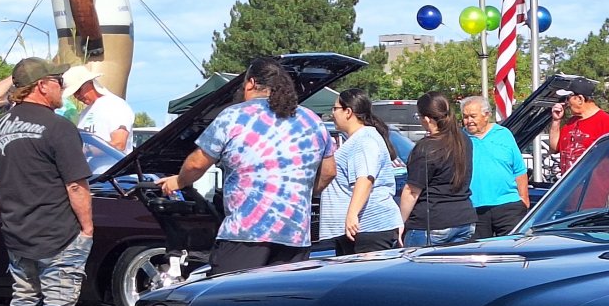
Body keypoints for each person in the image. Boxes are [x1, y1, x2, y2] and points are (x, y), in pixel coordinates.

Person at [158, 56, 334, 274]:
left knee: (229, 299)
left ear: (250, 83)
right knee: (281, 301)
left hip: (247, 233)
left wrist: (178, 181)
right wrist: (302, 191)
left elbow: (196, 164)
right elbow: (329, 172)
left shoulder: (234, 116)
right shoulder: (311, 120)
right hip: (295, 235)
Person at [0, 57, 103, 306]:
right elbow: (76, 186)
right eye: (58, 82)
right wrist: (87, 228)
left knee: (23, 298)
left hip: (16, 229)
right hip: (58, 232)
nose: (63, 89)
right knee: (58, 301)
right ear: (41, 85)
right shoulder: (58, 127)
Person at [318, 88, 403, 255]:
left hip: (368, 229)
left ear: (348, 112)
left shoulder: (365, 139)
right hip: (358, 230)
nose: (332, 113)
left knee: (365, 280)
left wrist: (352, 214)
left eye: (335, 109)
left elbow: (365, 178)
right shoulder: (359, 139)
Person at [398, 91, 475, 246]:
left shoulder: (427, 146)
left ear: (427, 119)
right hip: (464, 219)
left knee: (417, 269)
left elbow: (412, 190)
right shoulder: (463, 140)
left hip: (432, 222)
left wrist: (400, 222)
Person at [461, 95, 529, 237]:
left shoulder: (504, 134)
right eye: (465, 117)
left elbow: (519, 169)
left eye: (473, 116)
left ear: (486, 115)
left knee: (513, 251)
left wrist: (524, 199)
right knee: (477, 256)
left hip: (508, 205)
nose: (469, 121)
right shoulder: (460, 139)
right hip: (474, 208)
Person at [548, 80, 609, 208]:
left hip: (594, 201)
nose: (565, 102)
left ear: (580, 99)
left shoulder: (605, 122)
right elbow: (555, 147)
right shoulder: (571, 123)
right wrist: (556, 121)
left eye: (568, 98)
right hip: (567, 199)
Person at [62, 66, 133, 152]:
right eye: (74, 93)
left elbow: (119, 144)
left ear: (90, 83)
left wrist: (88, 150)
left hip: (113, 165)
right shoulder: (85, 113)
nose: (76, 96)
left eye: (78, 90)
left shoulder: (116, 105)